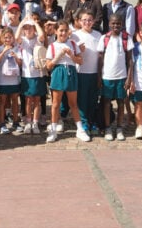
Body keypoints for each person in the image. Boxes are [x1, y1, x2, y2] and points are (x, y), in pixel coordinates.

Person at [45, 20, 85, 143]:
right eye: (60, 30)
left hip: (71, 73)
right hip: (58, 73)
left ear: (69, 31)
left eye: (65, 30)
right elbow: (48, 66)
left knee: (73, 103)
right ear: (56, 31)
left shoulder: (73, 44)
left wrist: (71, 56)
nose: (63, 33)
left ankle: (80, 129)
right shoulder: (52, 46)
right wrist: (58, 56)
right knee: (56, 104)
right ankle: (53, 130)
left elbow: (80, 61)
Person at [98, 14, 134, 141]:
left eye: (118, 23)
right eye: (113, 23)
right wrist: (99, 77)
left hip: (121, 76)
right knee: (107, 102)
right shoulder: (104, 38)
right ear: (109, 24)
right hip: (107, 76)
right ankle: (108, 127)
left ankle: (119, 128)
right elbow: (100, 60)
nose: (116, 26)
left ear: (122, 24)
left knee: (121, 102)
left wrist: (129, 78)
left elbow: (130, 60)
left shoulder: (126, 38)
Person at [73, 9, 102, 137]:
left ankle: (92, 121)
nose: (87, 22)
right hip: (81, 72)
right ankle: (84, 122)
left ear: (94, 21)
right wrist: (78, 50)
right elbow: (70, 53)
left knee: (93, 99)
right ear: (79, 21)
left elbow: (101, 55)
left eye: (90, 20)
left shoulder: (98, 35)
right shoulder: (75, 35)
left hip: (95, 72)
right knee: (82, 99)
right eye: (84, 20)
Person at [17, 17, 47, 135]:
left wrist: (34, 22)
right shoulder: (23, 40)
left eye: (30, 28)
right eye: (26, 28)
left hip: (38, 74)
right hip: (26, 75)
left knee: (37, 100)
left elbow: (41, 35)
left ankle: (35, 122)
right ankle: (28, 122)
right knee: (28, 100)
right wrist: (22, 23)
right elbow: (16, 37)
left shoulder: (37, 40)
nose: (28, 30)